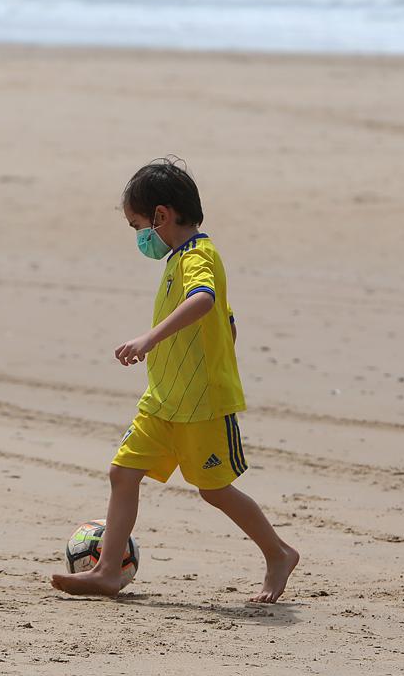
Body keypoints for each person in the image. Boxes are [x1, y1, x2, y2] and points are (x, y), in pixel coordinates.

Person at [51, 159, 298, 603]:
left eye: (137, 226)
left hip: (201, 403)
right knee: (122, 474)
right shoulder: (178, 259)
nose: (140, 237)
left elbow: (203, 301)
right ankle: (107, 570)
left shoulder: (199, 256)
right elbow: (226, 320)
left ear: (161, 216)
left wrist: (149, 338)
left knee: (214, 490)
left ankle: (279, 553)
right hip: (162, 400)